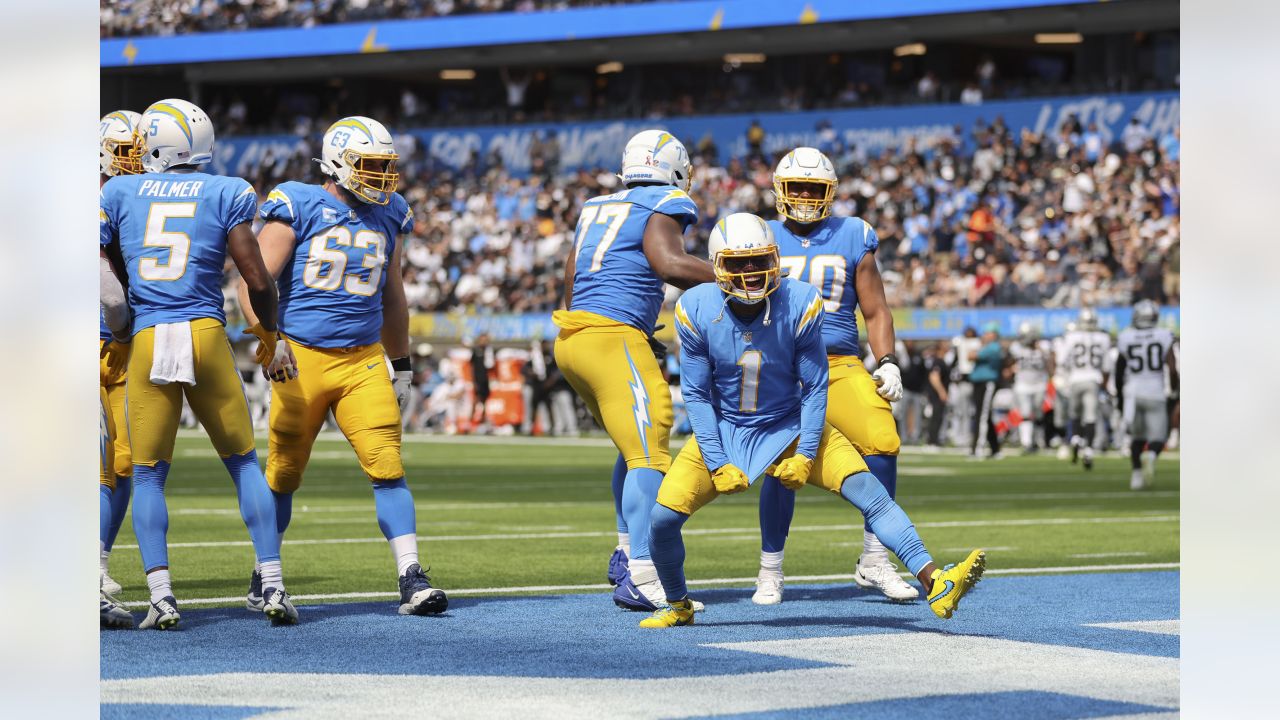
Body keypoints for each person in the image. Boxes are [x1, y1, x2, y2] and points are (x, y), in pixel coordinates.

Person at [638, 214, 985, 628]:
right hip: (728, 429)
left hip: (791, 424)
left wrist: (805, 453)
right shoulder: (696, 307)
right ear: (716, 266)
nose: (750, 273)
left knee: (870, 492)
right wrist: (715, 460)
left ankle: (936, 582)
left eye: (758, 261)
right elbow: (695, 394)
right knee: (661, 520)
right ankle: (677, 604)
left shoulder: (800, 299)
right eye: (737, 263)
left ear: (775, 258)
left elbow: (817, 386)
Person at [240, 116, 448, 617]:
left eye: (385, 166)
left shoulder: (391, 212)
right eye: (369, 165)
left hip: (361, 360)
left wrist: (400, 364)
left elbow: (393, 296)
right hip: (301, 358)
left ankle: (411, 576)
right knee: (283, 474)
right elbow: (254, 284)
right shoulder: (299, 203)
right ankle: (265, 576)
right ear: (337, 163)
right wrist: (272, 342)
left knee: (389, 468)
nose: (381, 176)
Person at [100, 99, 296, 629]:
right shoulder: (227, 189)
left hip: (147, 334)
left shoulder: (117, 190)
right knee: (243, 464)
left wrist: (120, 324)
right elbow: (257, 278)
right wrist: (271, 333)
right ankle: (273, 585)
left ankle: (161, 597)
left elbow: (102, 271)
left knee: (146, 477)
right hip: (206, 332)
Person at [552, 129, 714, 611]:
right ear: (676, 169)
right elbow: (669, 263)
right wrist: (733, 273)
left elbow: (570, 273)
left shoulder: (597, 206)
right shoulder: (662, 202)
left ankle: (626, 556)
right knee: (650, 450)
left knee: (632, 445)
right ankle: (645, 571)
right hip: (611, 336)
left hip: (574, 336)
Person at [762, 147, 915, 604]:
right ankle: (770, 568)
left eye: (815, 189)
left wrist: (886, 360)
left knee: (882, 440)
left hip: (839, 364)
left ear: (830, 193)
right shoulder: (761, 235)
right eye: (798, 188)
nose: (806, 196)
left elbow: (876, 308)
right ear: (780, 191)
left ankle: (874, 558)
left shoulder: (853, 234)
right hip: (780, 367)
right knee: (780, 463)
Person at [97, 109, 141, 608]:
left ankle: (99, 562)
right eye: (126, 151)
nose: (136, 162)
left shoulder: (144, 200)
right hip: (104, 337)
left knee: (125, 464)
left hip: (126, 342)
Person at [1115, 300, 1176, 489]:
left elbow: (1119, 370)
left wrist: (1119, 396)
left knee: (1137, 438)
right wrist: (1174, 390)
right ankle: (1151, 456)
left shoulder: (1126, 337)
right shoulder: (1163, 335)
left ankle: (1136, 476)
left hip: (1133, 392)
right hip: (1155, 391)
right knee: (1159, 437)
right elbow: (1172, 368)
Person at [1060, 308, 1114, 470]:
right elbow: (1107, 366)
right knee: (1090, 417)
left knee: (1075, 414)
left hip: (1075, 378)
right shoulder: (1103, 338)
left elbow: (1063, 361)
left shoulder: (1071, 337)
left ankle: (1076, 438)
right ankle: (1088, 449)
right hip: (1093, 379)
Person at [1009, 322, 1054, 453]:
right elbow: (1010, 361)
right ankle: (1027, 442)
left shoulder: (1043, 346)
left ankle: (1039, 440)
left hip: (1039, 383)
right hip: (1023, 384)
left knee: (1039, 413)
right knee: (1026, 413)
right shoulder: (1016, 347)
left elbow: (1049, 363)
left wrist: (1040, 350)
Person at [969, 323, 1004, 459]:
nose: (984, 335)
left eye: (987, 333)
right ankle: (995, 448)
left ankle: (977, 448)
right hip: (979, 383)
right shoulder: (988, 347)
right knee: (985, 416)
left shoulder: (993, 347)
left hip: (986, 383)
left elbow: (972, 356)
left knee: (982, 416)